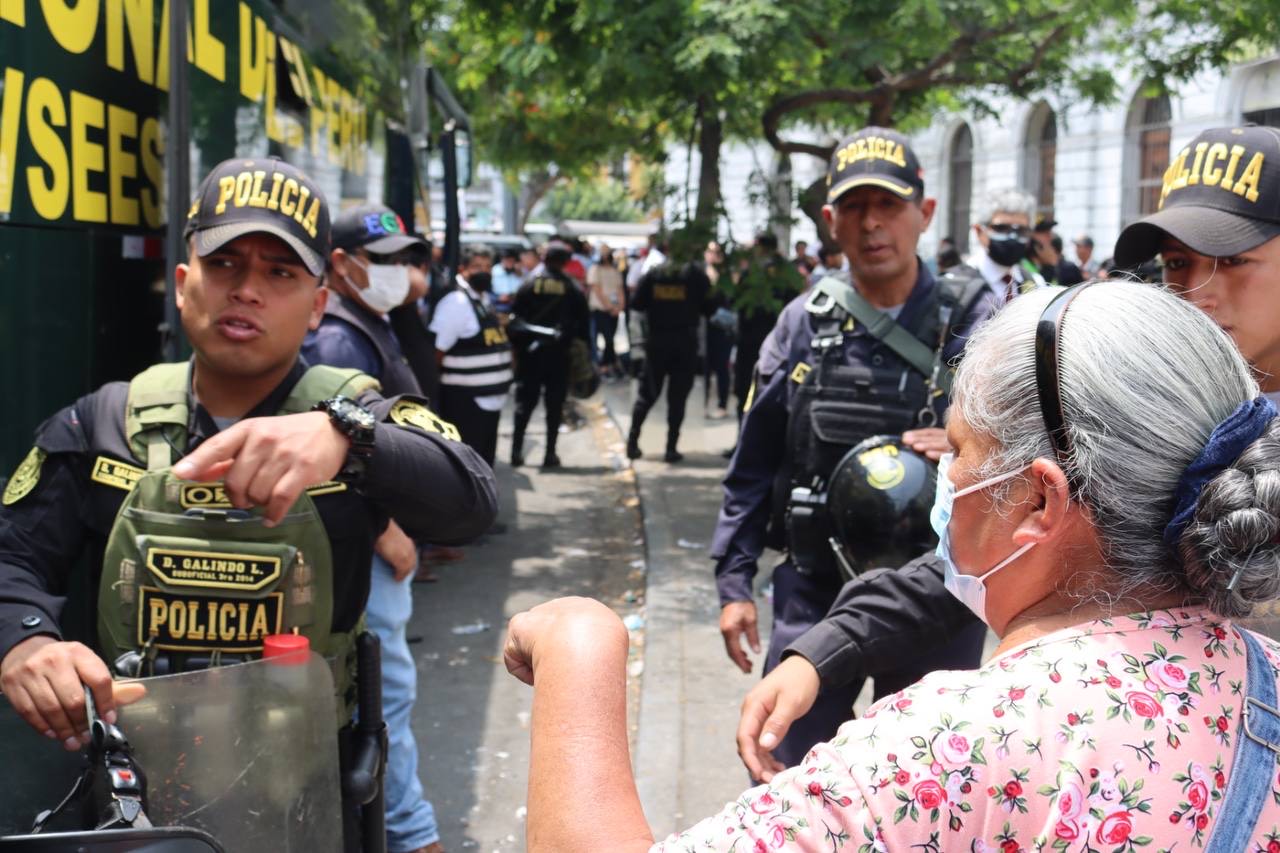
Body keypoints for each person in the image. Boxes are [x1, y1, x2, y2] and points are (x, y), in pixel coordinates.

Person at [503, 280, 1280, 851]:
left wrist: (580, 640)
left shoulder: (952, 743)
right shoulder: (1267, 679)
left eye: (960, 451)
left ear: (1039, 505)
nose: (945, 479)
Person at [731, 123, 1280, 784]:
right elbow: (997, 541)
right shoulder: (1142, 404)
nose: (1197, 289)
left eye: (1232, 259)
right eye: (1176, 264)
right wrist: (826, 645)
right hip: (1118, 774)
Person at [0, 158, 497, 781]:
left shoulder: (353, 417)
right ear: (184, 284)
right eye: (225, 264)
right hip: (137, 784)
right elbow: (13, 557)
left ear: (318, 306)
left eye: (279, 272)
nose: (247, 290)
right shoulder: (103, 424)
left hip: (310, 785)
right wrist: (26, 641)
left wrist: (350, 438)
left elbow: (473, 499)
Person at [712, 126, 995, 768]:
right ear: (830, 221)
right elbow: (752, 464)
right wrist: (733, 584)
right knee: (786, 777)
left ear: (924, 213)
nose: (872, 224)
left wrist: (963, 443)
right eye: (856, 208)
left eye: (889, 205)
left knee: (925, 794)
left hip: (936, 599)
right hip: (813, 593)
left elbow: (1028, 462)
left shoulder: (980, 321)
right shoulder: (802, 323)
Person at [300, 202, 447, 853]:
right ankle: (409, 834)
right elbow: (328, 452)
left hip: (381, 549)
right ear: (340, 264)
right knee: (384, 705)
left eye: (408, 260)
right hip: (366, 550)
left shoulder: (373, 320)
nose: (403, 273)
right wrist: (385, 522)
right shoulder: (338, 338)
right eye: (385, 261)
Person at [624, 242, 714, 463]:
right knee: (678, 397)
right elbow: (710, 308)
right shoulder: (696, 275)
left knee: (647, 394)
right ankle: (671, 448)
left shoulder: (655, 273)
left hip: (657, 341)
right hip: (685, 343)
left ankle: (633, 441)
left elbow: (636, 304)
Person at [429, 245, 513, 469]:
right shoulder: (457, 302)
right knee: (468, 469)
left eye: (487, 266)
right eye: (477, 267)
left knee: (484, 465)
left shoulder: (483, 299)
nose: (483, 272)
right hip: (466, 402)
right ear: (463, 269)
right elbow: (437, 351)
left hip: (489, 402)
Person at [509, 241, 590, 468]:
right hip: (559, 357)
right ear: (566, 262)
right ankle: (550, 454)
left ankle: (516, 452)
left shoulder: (528, 283)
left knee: (524, 405)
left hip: (530, 356)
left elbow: (515, 321)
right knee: (554, 406)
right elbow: (583, 326)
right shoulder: (572, 287)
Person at [730, 233, 804, 421]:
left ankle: (743, 442)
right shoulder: (788, 273)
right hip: (774, 345)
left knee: (749, 393)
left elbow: (735, 301)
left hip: (755, 343)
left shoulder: (754, 274)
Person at [968, 187, 1045, 304]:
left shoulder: (1036, 285)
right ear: (979, 231)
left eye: (1021, 231)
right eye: (1001, 228)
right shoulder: (958, 286)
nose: (1012, 237)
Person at [702, 241, 733, 419]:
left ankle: (722, 404)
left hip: (722, 329)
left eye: (716, 252)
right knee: (705, 368)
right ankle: (704, 404)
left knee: (722, 368)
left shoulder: (726, 277)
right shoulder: (700, 274)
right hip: (704, 330)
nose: (713, 255)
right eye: (710, 251)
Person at [586, 245, 624, 377]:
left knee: (611, 338)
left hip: (614, 308)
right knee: (608, 338)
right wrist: (608, 306)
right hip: (600, 308)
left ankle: (610, 363)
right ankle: (606, 364)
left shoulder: (614, 270)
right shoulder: (595, 269)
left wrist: (619, 306)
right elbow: (597, 290)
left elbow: (619, 289)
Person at [490, 248, 524, 315]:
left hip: (514, 306)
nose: (509, 263)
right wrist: (497, 298)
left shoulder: (518, 272)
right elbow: (487, 292)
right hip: (497, 305)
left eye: (511, 261)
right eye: (507, 260)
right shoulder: (494, 271)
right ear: (502, 260)